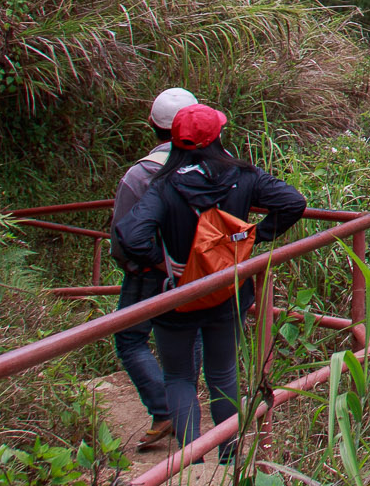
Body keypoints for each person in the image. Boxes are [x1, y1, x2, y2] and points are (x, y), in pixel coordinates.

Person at [116, 103, 306, 462]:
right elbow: (292, 202)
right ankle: (230, 457)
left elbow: (130, 235)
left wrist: (163, 263)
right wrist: (254, 237)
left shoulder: (164, 186)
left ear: (175, 141)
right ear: (218, 137)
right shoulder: (243, 177)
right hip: (227, 290)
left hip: (177, 297)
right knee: (222, 373)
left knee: (178, 377)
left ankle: (191, 462)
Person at [111, 86, 200, 452]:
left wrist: (139, 263)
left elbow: (122, 235)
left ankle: (164, 409)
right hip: (199, 271)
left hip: (147, 274)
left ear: (151, 124)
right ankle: (185, 408)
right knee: (190, 336)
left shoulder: (138, 175)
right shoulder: (213, 168)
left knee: (130, 338)